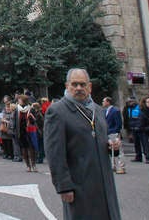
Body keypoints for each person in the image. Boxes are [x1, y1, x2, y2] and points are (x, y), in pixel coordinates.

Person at [45, 68, 121, 220]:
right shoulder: (57, 111)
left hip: (104, 184)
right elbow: (55, 153)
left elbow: (100, 141)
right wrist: (64, 186)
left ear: (89, 87)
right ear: (67, 86)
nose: (79, 88)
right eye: (74, 84)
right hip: (79, 185)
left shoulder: (98, 111)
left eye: (82, 84)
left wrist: (113, 147)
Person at [13, 94, 40, 172]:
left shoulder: (31, 109)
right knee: (24, 149)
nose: (18, 101)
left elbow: (36, 120)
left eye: (19, 99)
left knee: (31, 149)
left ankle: (34, 165)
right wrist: (13, 131)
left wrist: (31, 118)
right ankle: (28, 166)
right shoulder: (17, 109)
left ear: (23, 101)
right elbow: (14, 121)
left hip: (30, 131)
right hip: (21, 131)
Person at [102, 96, 125, 174]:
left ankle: (121, 167)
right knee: (110, 150)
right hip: (107, 133)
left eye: (104, 101)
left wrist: (115, 132)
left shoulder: (115, 111)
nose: (103, 103)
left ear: (108, 102)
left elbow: (118, 123)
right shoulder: (105, 111)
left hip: (114, 133)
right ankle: (113, 166)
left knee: (118, 150)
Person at [122, 96, 144, 162]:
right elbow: (126, 119)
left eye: (131, 101)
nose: (130, 103)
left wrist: (140, 126)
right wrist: (128, 131)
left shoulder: (139, 107)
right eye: (129, 102)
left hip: (140, 128)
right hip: (132, 128)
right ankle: (138, 157)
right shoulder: (127, 109)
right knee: (136, 144)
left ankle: (148, 156)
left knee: (143, 143)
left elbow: (141, 118)